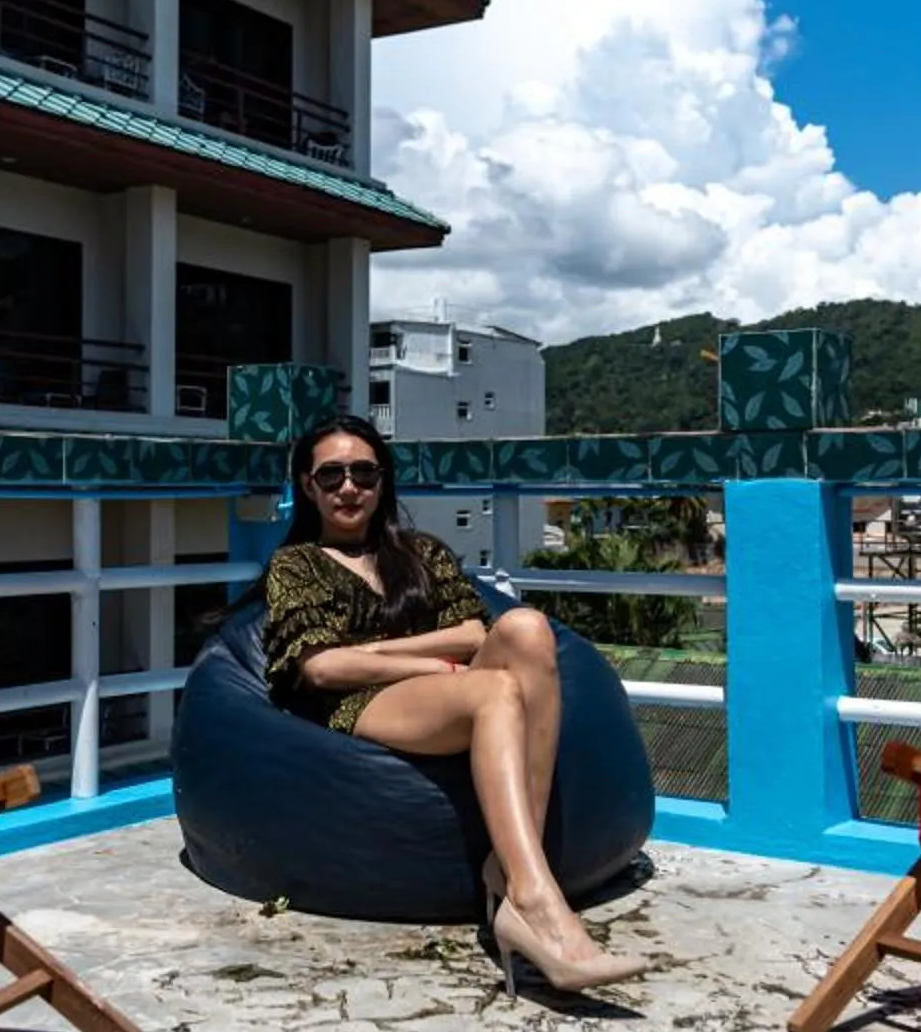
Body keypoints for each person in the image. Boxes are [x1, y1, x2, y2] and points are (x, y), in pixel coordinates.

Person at [261, 415, 650, 994]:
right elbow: (322, 667)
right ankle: (535, 900)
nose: (349, 487)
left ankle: (511, 870)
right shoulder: (297, 565)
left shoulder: (421, 552)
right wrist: (427, 664)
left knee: (526, 627)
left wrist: (372, 647)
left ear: (383, 481)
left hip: (446, 687)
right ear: (307, 485)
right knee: (495, 688)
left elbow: (472, 633)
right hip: (360, 703)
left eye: (364, 473)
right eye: (332, 475)